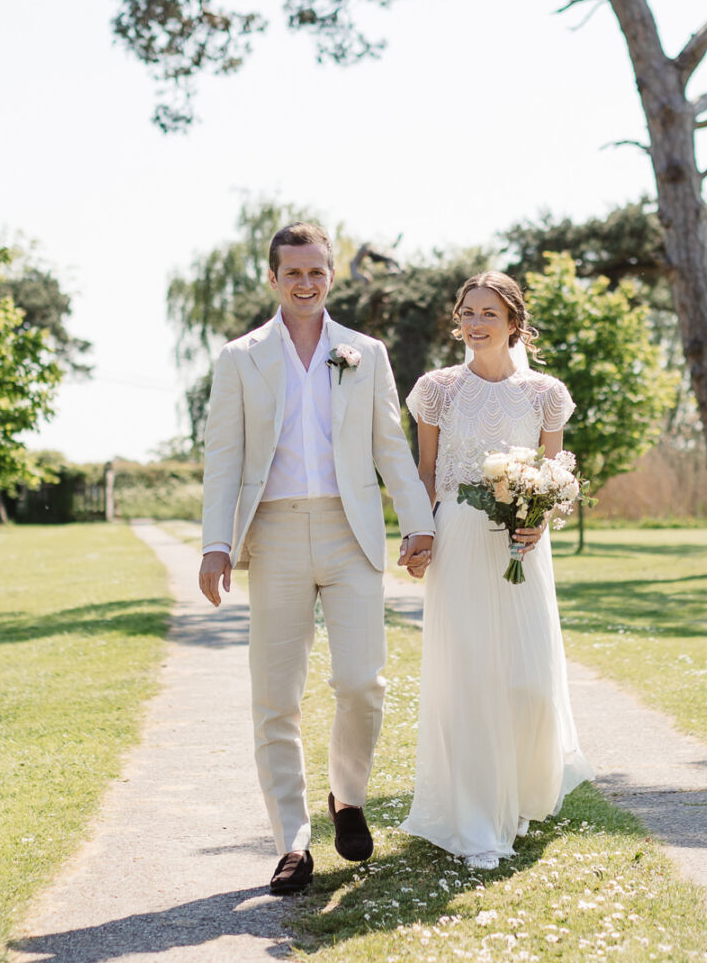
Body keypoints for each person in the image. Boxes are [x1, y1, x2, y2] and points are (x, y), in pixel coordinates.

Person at [197, 222, 436, 895]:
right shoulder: (239, 358)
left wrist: (419, 521)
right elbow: (223, 459)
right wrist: (217, 544)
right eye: (292, 272)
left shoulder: (366, 352)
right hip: (271, 534)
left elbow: (391, 446)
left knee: (363, 681)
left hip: (350, 530)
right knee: (276, 696)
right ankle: (292, 842)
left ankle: (347, 796)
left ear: (331, 275)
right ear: (273, 278)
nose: (305, 283)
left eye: (316, 271)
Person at [397, 271, 593, 868]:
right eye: (467, 312)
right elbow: (424, 471)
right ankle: (477, 822)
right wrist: (418, 532)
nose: (475, 323)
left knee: (530, 684)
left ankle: (524, 793)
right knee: (470, 679)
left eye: (488, 313)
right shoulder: (437, 390)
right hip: (457, 537)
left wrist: (544, 517)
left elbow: (559, 476)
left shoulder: (545, 395)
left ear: (513, 322)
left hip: (523, 547)